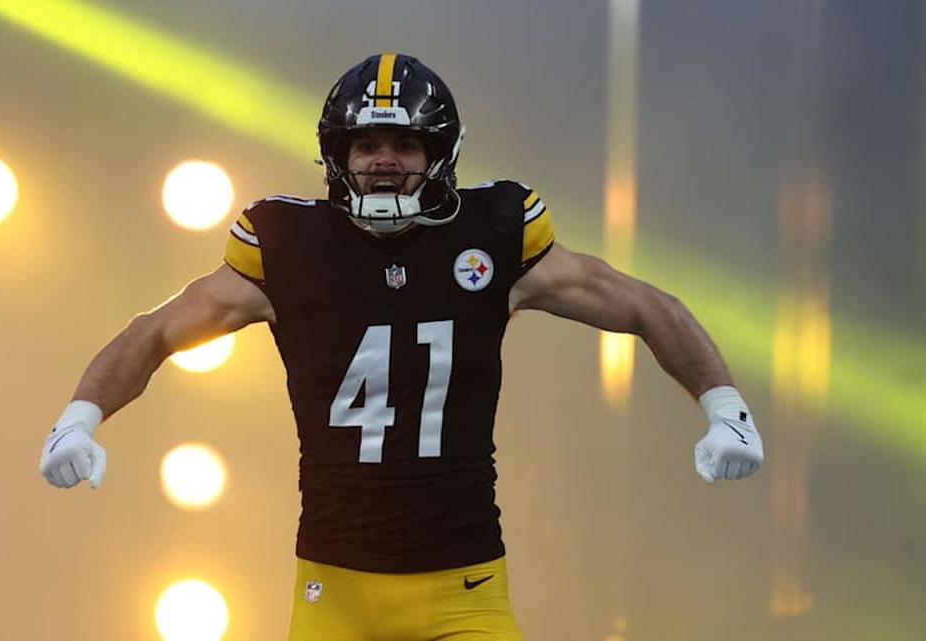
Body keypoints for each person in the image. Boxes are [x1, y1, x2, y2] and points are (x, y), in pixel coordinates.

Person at [39, 52, 764, 640]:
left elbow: (645, 305)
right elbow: (156, 330)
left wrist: (724, 405)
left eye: (405, 143)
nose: (385, 160)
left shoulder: (493, 234)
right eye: (367, 143)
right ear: (338, 155)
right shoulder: (288, 246)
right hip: (336, 594)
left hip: (466, 593)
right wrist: (80, 415)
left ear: (438, 154)